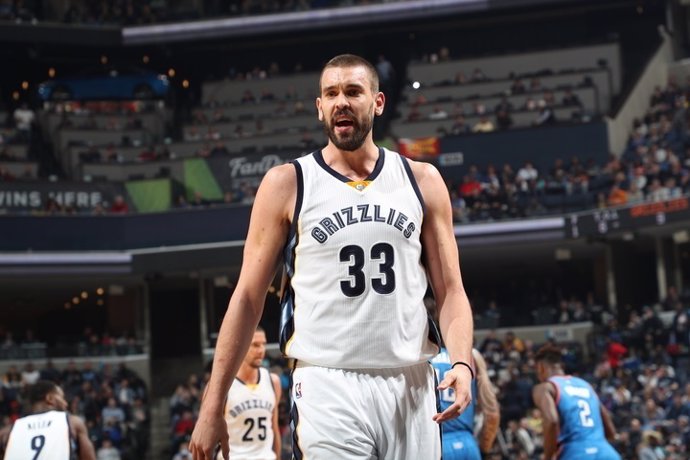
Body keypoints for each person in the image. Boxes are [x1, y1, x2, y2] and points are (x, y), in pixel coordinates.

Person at [189, 53, 474, 460]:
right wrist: (212, 403)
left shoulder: (422, 180)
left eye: (353, 91)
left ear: (377, 102)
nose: (341, 100)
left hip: (410, 380)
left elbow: (451, 292)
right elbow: (248, 298)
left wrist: (461, 363)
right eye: (331, 93)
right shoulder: (287, 183)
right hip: (327, 381)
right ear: (320, 107)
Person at [532, 344, 620, 460]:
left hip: (575, 452)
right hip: (606, 453)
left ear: (541, 368)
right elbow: (611, 432)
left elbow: (552, 421)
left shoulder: (545, 387)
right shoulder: (586, 386)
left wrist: (548, 457)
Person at [217, 326, 281, 460]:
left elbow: (274, 429)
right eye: (255, 345)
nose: (261, 350)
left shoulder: (273, 381)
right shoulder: (222, 387)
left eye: (263, 344)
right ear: (241, 347)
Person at [431, 348, 500, 459]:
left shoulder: (423, 356)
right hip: (469, 443)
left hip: (438, 444)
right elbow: (491, 411)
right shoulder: (469, 355)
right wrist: (484, 449)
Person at [0, 380, 96, 459]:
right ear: (50, 398)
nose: (65, 403)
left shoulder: (7, 432)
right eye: (62, 398)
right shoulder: (72, 422)